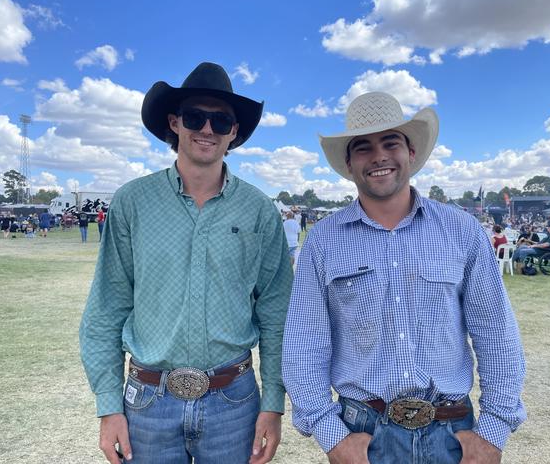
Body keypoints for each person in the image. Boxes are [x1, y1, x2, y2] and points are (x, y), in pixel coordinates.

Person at [282, 92, 526, 463]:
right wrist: (332, 436)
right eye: (363, 147)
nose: (379, 156)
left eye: (390, 142)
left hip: (451, 431)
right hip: (362, 431)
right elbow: (304, 342)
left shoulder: (461, 230)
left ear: (411, 152)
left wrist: (493, 431)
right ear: (348, 164)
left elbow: (495, 331)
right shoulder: (323, 241)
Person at [79, 62, 293, 464]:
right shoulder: (132, 202)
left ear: (233, 132)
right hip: (148, 401)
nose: (207, 129)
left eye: (220, 121)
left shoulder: (259, 211)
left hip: (235, 400)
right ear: (175, 123)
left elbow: (276, 312)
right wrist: (109, 407)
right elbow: (107, 307)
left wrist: (273, 403)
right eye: (195, 117)